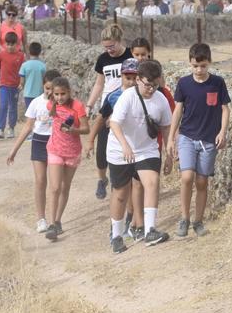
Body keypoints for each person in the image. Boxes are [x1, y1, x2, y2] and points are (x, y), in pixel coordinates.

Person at [106, 60, 173, 253]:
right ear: (138, 80)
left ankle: (150, 230)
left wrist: (168, 153)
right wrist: (125, 146)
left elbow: (166, 127)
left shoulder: (160, 99)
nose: (151, 89)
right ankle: (117, 236)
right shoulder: (127, 97)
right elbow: (115, 124)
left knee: (151, 182)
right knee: (120, 194)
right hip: (119, 150)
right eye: (147, 84)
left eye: (154, 84)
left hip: (146, 149)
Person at [166, 43, 231, 237]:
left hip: (209, 140)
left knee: (202, 182)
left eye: (203, 65)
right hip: (187, 137)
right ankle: (184, 218)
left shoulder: (218, 83)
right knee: (187, 177)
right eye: (195, 66)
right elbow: (178, 110)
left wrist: (223, 132)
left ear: (209, 63)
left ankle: (198, 221)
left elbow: (225, 109)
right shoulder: (184, 83)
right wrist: (171, 137)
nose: (199, 70)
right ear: (190, 63)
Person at [7, 69, 62, 233]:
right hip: (39, 142)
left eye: (53, 88)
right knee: (40, 181)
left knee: (55, 185)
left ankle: (55, 220)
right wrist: (14, 150)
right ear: (43, 86)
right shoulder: (36, 103)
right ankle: (41, 219)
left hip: (56, 143)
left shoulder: (62, 102)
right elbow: (27, 127)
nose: (50, 92)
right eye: (47, 88)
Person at [84, 24, 133, 201]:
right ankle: (101, 179)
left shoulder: (130, 55)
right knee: (101, 149)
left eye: (112, 46)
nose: (109, 50)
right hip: (107, 105)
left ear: (119, 41)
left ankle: (119, 181)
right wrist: (89, 105)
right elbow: (99, 84)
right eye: (105, 47)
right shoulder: (103, 59)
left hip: (127, 103)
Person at [41, 76, 88, 241]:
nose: (60, 97)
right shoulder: (51, 104)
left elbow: (86, 129)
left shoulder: (78, 106)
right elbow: (50, 113)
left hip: (72, 152)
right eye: (57, 94)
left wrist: (73, 130)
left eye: (63, 94)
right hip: (55, 150)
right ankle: (52, 224)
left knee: (64, 187)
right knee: (54, 188)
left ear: (69, 92)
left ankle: (58, 220)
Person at [0, 31, 24, 139]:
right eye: (7, 44)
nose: (9, 47)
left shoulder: (20, 55)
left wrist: (21, 83)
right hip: (4, 84)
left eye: (12, 44)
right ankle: (0, 129)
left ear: (17, 44)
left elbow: (23, 71)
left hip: (15, 86)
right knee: (3, 105)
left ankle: (11, 128)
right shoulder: (1, 54)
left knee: (13, 107)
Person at [18, 42, 47, 110]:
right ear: (40, 52)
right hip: (39, 93)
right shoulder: (43, 66)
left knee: (30, 112)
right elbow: (44, 80)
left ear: (29, 51)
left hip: (28, 93)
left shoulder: (24, 65)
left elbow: (22, 82)